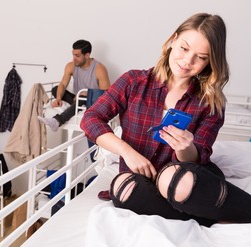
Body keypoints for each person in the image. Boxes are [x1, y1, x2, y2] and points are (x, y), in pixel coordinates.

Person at [81, 13, 251, 227]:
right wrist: (127, 151)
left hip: (186, 177)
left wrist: (185, 148)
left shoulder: (210, 103)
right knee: (121, 187)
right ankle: (207, 217)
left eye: (201, 57)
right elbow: (91, 118)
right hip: (141, 180)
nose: (187, 61)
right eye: (184, 48)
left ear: (210, 62)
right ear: (173, 40)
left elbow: (199, 155)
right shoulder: (133, 82)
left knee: (171, 178)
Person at [38, 39, 111, 131]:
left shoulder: (99, 69)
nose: (74, 58)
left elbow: (106, 95)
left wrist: (88, 93)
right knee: (56, 89)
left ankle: (57, 121)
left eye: (77, 56)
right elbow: (63, 84)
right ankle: (75, 104)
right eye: (73, 54)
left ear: (87, 55)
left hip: (91, 101)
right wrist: (58, 98)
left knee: (82, 98)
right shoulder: (71, 66)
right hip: (76, 98)